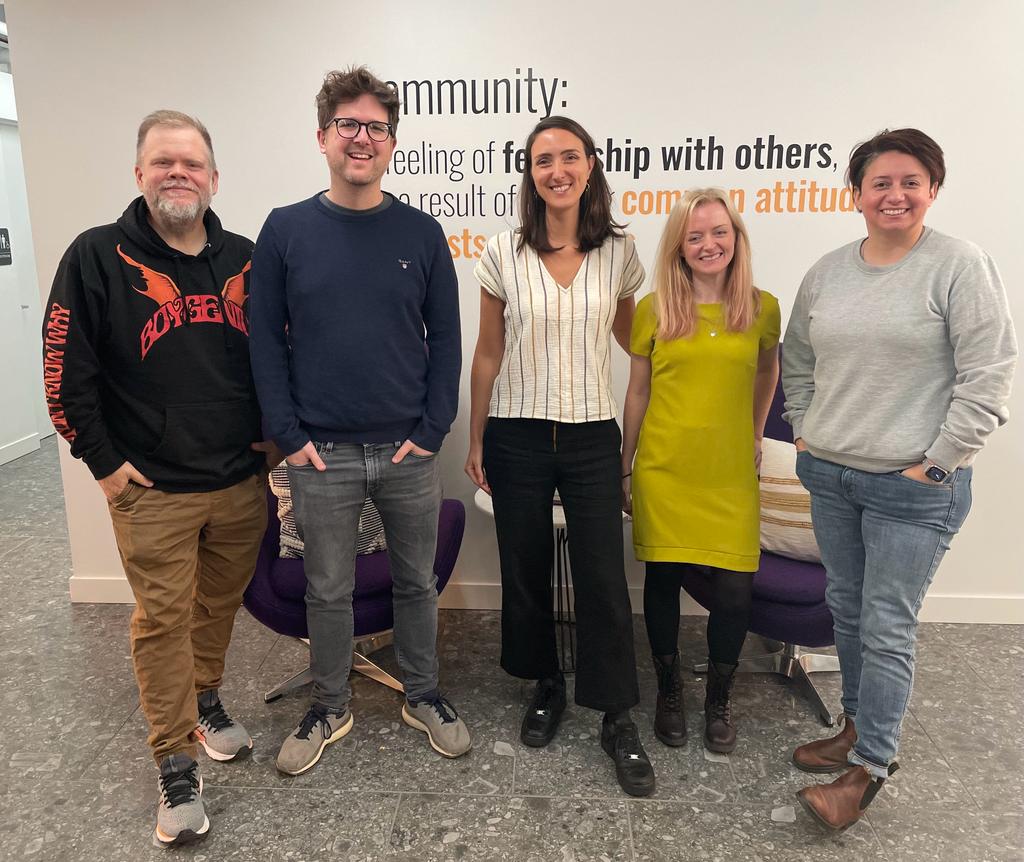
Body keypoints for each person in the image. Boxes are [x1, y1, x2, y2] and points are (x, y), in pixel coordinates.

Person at [42, 111, 271, 847]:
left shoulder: (244, 258)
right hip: (151, 490)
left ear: (214, 178)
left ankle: (205, 700)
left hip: (239, 479)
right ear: (139, 173)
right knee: (162, 621)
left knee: (218, 607)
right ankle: (173, 761)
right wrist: (103, 465)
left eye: (193, 163)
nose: (180, 173)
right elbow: (62, 374)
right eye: (164, 162)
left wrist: (274, 442)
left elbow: (275, 355)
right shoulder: (96, 256)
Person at [783, 128, 1017, 831]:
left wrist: (938, 462)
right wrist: (803, 428)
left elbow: (990, 374)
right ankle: (855, 728)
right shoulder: (827, 272)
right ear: (856, 194)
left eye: (910, 181)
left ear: (933, 189)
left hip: (912, 489)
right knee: (848, 613)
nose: (895, 194)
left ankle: (872, 766)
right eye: (880, 182)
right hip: (832, 476)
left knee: (887, 626)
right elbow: (799, 357)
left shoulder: (959, 265)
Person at [248, 66, 468, 776]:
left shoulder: (422, 232)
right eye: (349, 125)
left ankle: (424, 694)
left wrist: (432, 430)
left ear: (393, 143)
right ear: (323, 137)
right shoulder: (285, 231)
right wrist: (289, 437)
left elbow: (446, 343)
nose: (362, 138)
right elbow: (264, 344)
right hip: (322, 454)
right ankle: (329, 704)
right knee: (328, 589)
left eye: (376, 127)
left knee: (415, 583)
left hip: (407, 450)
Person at [466, 115, 654, 797]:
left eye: (568, 157)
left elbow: (639, 345)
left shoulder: (620, 254)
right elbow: (487, 351)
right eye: (544, 161)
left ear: (590, 165)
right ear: (531, 174)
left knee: (604, 576)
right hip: (516, 432)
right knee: (524, 568)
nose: (557, 171)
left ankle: (615, 713)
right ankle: (545, 683)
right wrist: (476, 438)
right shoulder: (500, 253)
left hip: (591, 436)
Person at [621, 189, 780, 754]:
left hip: (729, 473)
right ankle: (668, 689)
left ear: (736, 238)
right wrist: (626, 464)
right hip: (664, 468)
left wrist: (756, 432)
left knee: (735, 592)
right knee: (663, 582)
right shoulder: (653, 309)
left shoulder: (762, 308)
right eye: (695, 236)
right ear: (679, 247)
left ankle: (718, 698)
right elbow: (638, 390)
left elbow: (768, 373)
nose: (708, 244)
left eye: (719, 232)